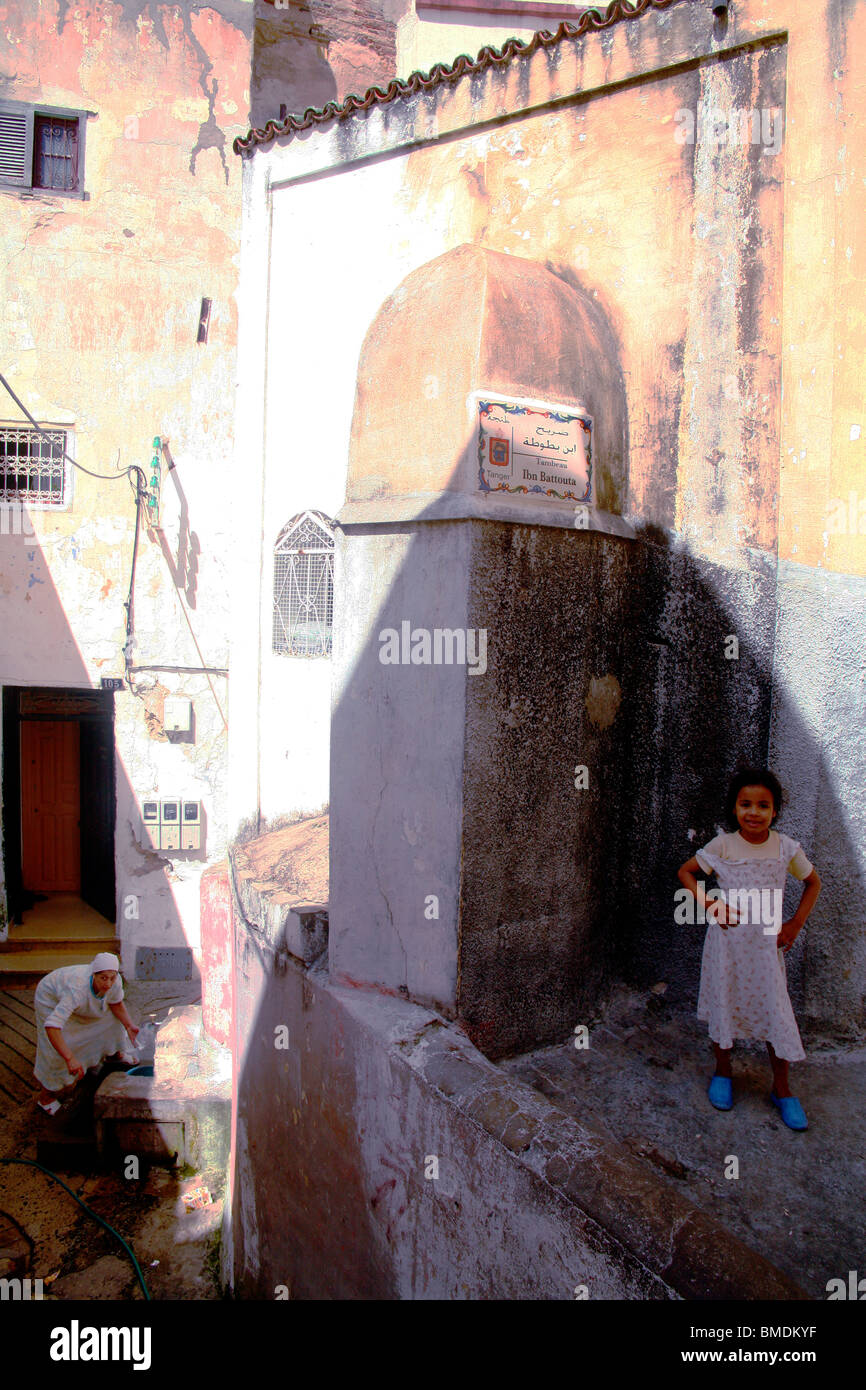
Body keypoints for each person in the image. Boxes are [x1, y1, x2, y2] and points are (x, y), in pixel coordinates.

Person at [677, 769, 821, 1131]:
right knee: (725, 1005)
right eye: (745, 804)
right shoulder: (722, 846)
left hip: (764, 950)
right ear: (734, 808)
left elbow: (813, 882)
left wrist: (794, 924)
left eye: (762, 805)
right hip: (727, 947)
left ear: (775, 811)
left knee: (776, 1013)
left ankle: (783, 1090)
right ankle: (723, 1073)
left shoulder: (786, 848)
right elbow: (685, 873)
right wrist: (710, 904)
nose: (753, 812)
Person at [33, 952, 139, 1114]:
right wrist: (70, 1058)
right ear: (93, 975)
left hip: (76, 1000)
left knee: (111, 1019)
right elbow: (52, 1026)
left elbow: (115, 1003)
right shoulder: (77, 990)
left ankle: (113, 1054)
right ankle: (46, 1098)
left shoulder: (114, 982)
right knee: (57, 1049)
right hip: (49, 997)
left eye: (112, 977)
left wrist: (129, 1025)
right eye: (103, 978)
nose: (108, 983)